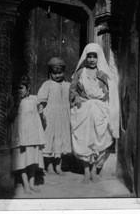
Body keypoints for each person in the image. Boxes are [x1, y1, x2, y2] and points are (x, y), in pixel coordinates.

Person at [69, 43, 119, 184]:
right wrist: (76, 96)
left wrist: (105, 80)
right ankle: (86, 171)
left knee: (100, 139)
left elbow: (112, 93)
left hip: (100, 111)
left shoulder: (103, 73)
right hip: (83, 109)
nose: (91, 60)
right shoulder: (80, 73)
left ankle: (94, 171)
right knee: (83, 140)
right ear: (85, 57)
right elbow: (72, 88)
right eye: (89, 56)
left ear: (99, 58)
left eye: (94, 57)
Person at [9, 76, 47, 195]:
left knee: (32, 161)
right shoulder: (14, 101)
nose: (19, 91)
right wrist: (16, 103)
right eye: (17, 89)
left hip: (33, 135)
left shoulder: (35, 99)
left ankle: (32, 184)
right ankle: (25, 185)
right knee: (23, 161)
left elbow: (41, 115)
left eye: (21, 88)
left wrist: (41, 126)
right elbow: (10, 117)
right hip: (21, 135)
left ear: (28, 88)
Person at [37, 57, 72, 176]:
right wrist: (41, 113)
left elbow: (72, 99)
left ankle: (58, 166)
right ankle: (49, 166)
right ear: (50, 73)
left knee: (60, 141)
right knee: (49, 141)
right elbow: (41, 100)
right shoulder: (47, 84)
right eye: (55, 73)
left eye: (60, 73)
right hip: (51, 118)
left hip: (63, 118)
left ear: (64, 72)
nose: (57, 75)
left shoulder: (68, 85)